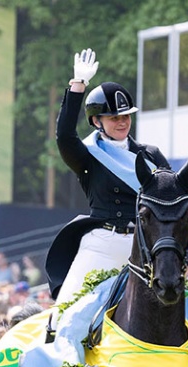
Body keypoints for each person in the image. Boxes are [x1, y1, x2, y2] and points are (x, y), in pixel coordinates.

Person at [48, 48, 172, 305]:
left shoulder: (151, 155)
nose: (123, 122)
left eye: (126, 116)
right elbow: (64, 136)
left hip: (146, 246)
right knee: (64, 313)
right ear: (96, 121)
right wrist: (78, 85)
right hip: (103, 244)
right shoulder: (87, 157)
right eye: (114, 117)